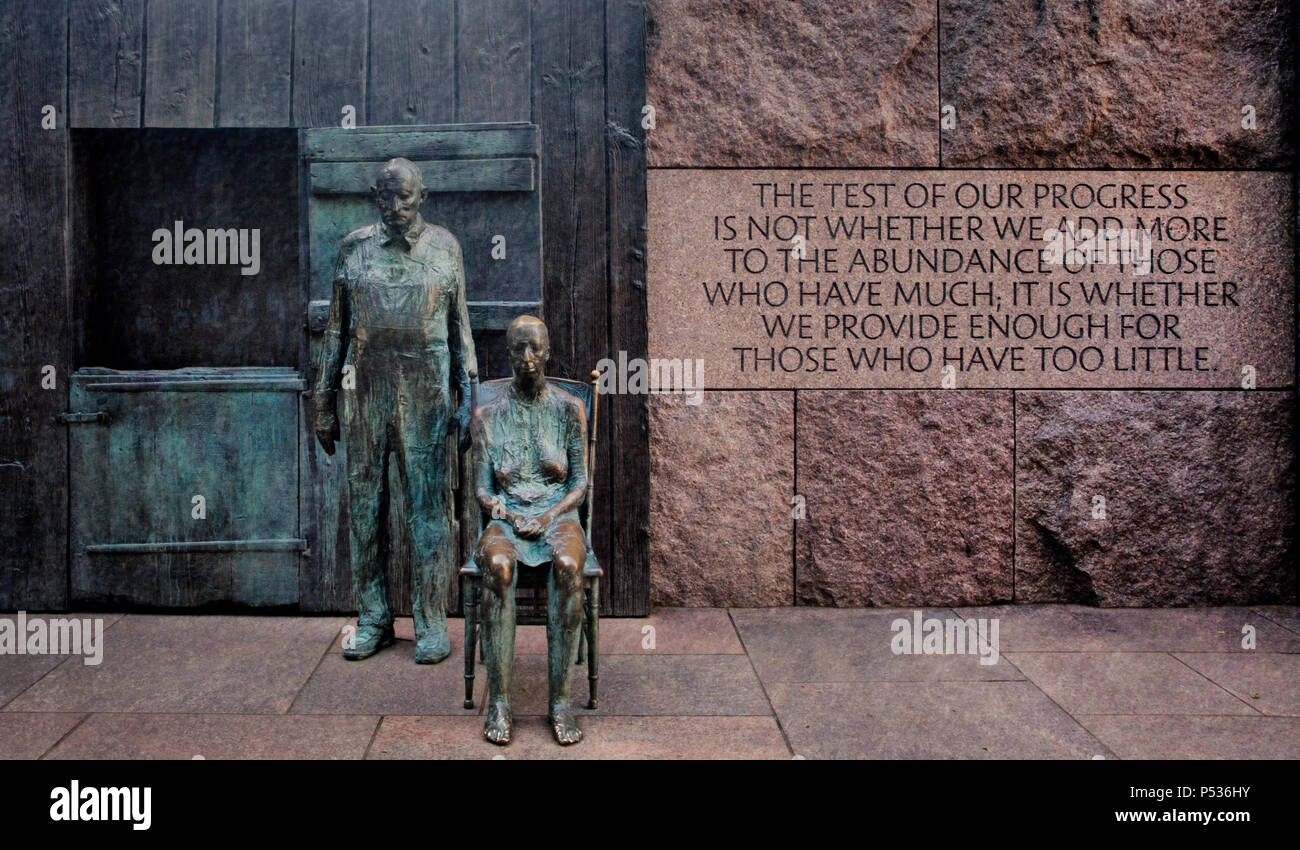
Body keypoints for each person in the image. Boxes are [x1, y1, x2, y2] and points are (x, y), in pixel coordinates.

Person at [313, 158, 476, 664]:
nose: (396, 206)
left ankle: (430, 621)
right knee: (366, 507)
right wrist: (323, 401)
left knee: (429, 510)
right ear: (374, 196)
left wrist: (467, 390)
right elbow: (336, 329)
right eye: (386, 197)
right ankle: (373, 617)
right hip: (365, 390)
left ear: (422, 196)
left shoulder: (446, 247)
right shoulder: (353, 249)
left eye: (405, 197)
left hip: (426, 392)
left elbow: (459, 325)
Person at [472, 315, 591, 745]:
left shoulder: (568, 409)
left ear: (547, 352)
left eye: (534, 348)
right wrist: (500, 509)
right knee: (500, 565)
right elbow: (482, 490)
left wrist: (547, 516)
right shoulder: (487, 415)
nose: (527, 358)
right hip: (507, 517)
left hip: (558, 515)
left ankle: (560, 702)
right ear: (507, 353)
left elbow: (579, 483)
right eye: (518, 349)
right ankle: (500, 702)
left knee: (566, 563)